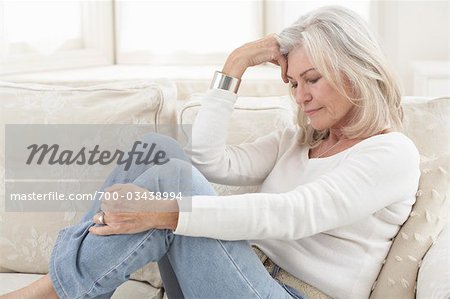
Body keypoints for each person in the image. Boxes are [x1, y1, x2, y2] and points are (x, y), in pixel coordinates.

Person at [2, 5, 420, 299]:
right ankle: (66, 290)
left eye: (312, 79)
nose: (301, 97)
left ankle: (49, 292)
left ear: (355, 71)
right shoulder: (302, 139)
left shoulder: (391, 153)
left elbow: (294, 213)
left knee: (174, 181)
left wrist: (162, 212)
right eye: (293, 83)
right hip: (234, 277)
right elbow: (209, 161)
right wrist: (235, 64)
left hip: (289, 293)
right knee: (157, 150)